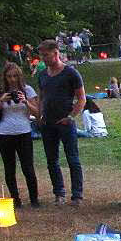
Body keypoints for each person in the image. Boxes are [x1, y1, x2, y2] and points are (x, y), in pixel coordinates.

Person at [36, 38, 86, 205]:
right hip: (47, 123)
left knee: (72, 158)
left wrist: (71, 117)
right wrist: (40, 115)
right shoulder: (42, 75)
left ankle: (77, 195)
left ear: (56, 53)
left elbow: (81, 99)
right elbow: (41, 97)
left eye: (46, 55)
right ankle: (59, 193)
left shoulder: (71, 73)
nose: (44, 58)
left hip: (65, 122)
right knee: (52, 160)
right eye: (42, 55)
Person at [0, 62, 41, 208]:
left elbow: (37, 113)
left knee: (28, 167)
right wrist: (1, 101)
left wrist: (25, 101)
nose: (12, 79)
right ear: (5, 77)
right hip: (4, 134)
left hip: (23, 132)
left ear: (20, 76)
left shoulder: (28, 90)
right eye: (9, 76)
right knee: (9, 167)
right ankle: (15, 199)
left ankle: (34, 199)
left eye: (15, 76)